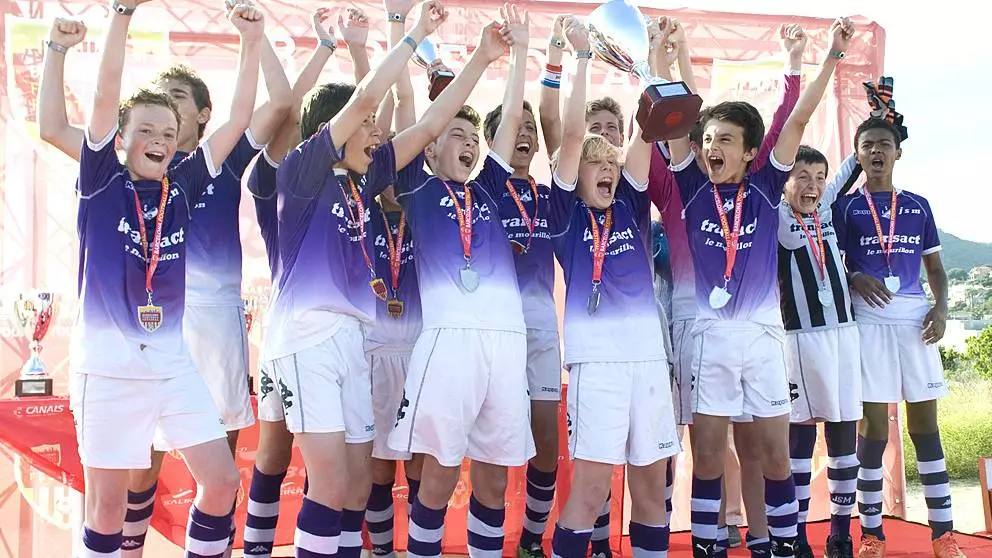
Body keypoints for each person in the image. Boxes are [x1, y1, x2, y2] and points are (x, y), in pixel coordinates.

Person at [39, 8, 290, 555]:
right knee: (106, 506)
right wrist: (120, 18)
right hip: (107, 367)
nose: (158, 138)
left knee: (222, 484)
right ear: (121, 141)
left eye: (168, 132)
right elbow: (105, 97)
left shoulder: (185, 184)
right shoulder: (101, 182)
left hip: (171, 364)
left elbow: (242, 115)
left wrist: (250, 42)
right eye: (145, 131)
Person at [667, 16, 855, 558]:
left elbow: (796, 117)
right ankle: (709, 546)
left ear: (751, 151)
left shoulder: (769, 184)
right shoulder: (691, 186)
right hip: (709, 338)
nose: (711, 146)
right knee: (706, 455)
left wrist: (824, 57)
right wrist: (668, 58)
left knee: (775, 454)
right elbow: (677, 121)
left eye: (724, 139)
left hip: (764, 338)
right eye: (707, 140)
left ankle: (782, 545)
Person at [387, 6, 534, 557]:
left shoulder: (493, 189)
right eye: (457, 133)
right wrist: (405, 30)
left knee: (494, 480)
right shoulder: (416, 191)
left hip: (507, 343)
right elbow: (416, 115)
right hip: (449, 344)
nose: (469, 142)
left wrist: (520, 50)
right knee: (439, 473)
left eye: (475, 135)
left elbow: (513, 116)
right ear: (430, 148)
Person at [547, 17, 679, 558]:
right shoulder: (561, 215)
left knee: (651, 490)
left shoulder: (629, 203)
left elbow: (650, 129)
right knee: (592, 489)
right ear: (575, 174)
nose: (605, 169)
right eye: (593, 164)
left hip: (648, 362)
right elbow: (574, 135)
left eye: (611, 163)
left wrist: (653, 63)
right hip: (596, 366)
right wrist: (579, 58)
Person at [833, 117, 967, 558]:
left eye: (884, 145)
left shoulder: (919, 205)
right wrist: (854, 276)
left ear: (897, 152)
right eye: (867, 145)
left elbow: (936, 271)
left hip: (915, 323)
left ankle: (942, 534)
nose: (876, 152)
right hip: (868, 322)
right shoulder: (846, 208)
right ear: (858, 155)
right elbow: (830, 263)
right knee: (872, 431)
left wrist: (942, 307)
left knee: (925, 427)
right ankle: (871, 535)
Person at [242, 7, 342, 558]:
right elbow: (285, 113)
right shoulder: (285, 176)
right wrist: (317, 50)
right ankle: (258, 547)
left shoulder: (356, 188)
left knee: (302, 460)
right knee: (279, 458)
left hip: (319, 341)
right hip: (291, 338)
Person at [482, 99, 560, 558]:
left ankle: (532, 537)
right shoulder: (485, 192)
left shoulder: (551, 197)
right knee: (496, 440)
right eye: (517, 127)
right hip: (499, 331)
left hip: (543, 330)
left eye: (531, 127)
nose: (526, 134)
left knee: (545, 442)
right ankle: (488, 539)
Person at [776, 145, 860, 558]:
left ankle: (840, 535)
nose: (811, 186)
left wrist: (876, 121)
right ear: (784, 182)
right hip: (801, 341)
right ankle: (798, 536)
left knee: (845, 435)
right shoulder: (774, 216)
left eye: (818, 177)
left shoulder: (824, 206)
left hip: (845, 336)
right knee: (800, 442)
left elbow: (851, 165)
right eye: (801, 176)